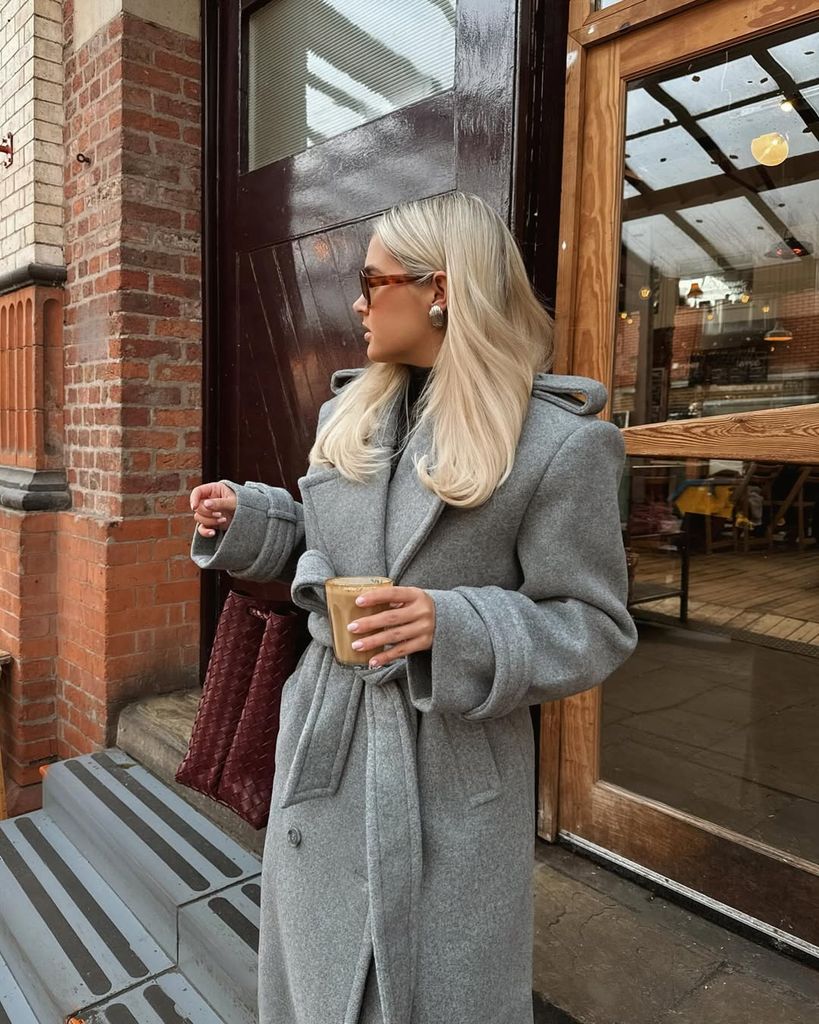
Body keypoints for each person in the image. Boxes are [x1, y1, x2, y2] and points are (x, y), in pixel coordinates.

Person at [190, 192, 637, 1024]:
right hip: (329, 739)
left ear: (441, 289)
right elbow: (326, 542)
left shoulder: (558, 442)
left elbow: (593, 625)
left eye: (372, 280)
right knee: (318, 984)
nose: (355, 302)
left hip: (451, 769)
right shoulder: (348, 411)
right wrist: (248, 519)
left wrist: (452, 626)